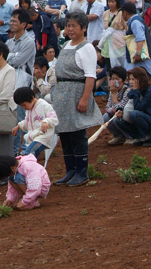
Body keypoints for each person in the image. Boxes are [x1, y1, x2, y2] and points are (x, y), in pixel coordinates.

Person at [53, 11, 103, 187]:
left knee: (77, 133)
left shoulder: (87, 47)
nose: (70, 29)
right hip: (62, 95)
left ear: (84, 28)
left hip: (76, 94)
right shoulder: (66, 44)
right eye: (68, 25)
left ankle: (82, 172)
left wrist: (85, 99)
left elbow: (90, 76)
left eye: (74, 25)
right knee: (65, 133)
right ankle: (70, 171)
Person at [107, 67, 151, 147]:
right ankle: (140, 137)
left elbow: (139, 108)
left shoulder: (150, 92)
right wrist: (120, 110)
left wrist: (136, 92)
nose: (130, 82)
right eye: (130, 79)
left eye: (133, 79)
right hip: (146, 118)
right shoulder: (134, 91)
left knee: (134, 114)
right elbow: (126, 106)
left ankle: (150, 137)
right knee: (118, 120)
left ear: (140, 79)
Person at [5, 8, 37, 153]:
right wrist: (12, 57)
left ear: (23, 24)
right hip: (10, 82)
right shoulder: (9, 42)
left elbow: (18, 61)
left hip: (23, 84)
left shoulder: (29, 42)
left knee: (22, 117)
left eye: (14, 21)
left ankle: (25, 150)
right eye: (11, 20)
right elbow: (3, 61)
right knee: (12, 118)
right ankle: (13, 150)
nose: (11, 23)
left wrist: (10, 57)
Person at [11, 86, 58, 159]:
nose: (23, 107)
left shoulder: (44, 105)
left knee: (28, 154)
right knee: (31, 158)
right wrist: (18, 126)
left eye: (24, 104)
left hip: (43, 138)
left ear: (32, 98)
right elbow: (27, 123)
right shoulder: (29, 110)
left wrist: (46, 122)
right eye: (21, 106)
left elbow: (54, 118)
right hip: (32, 138)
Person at [122, 3, 151, 76]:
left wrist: (138, 54)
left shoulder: (135, 22)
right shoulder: (137, 20)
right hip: (141, 61)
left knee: (139, 82)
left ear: (125, 12)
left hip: (141, 62)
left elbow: (140, 38)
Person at [101, 0, 127, 70]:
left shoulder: (121, 13)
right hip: (108, 42)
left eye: (113, 2)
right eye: (109, 2)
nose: (111, 4)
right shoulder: (105, 13)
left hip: (118, 42)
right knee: (108, 66)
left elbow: (125, 27)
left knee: (119, 65)